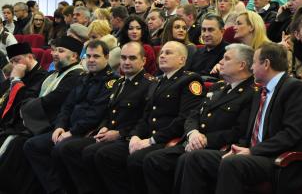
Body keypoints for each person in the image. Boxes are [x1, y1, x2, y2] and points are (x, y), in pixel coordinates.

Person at [177, 42, 302, 194]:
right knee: (194, 158)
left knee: (232, 163)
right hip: (255, 154)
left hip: (278, 159)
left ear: (266, 64)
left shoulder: (293, 89)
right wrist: (237, 148)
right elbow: (250, 131)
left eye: (255, 62)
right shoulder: (261, 90)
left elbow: (291, 134)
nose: (251, 68)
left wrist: (252, 151)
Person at [91, 41, 204, 194]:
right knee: (104, 154)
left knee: (135, 159)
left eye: (168, 53)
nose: (162, 55)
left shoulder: (190, 80)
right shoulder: (158, 81)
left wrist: (152, 140)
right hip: (148, 137)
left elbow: (184, 118)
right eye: (162, 52)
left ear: (182, 60)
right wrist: (135, 136)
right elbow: (146, 116)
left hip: (167, 140)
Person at [143, 43, 256, 194]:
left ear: (242, 65)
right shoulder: (218, 88)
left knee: (187, 160)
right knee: (153, 159)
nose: (220, 62)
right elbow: (193, 115)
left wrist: (204, 140)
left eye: (226, 59)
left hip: (215, 147)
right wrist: (193, 134)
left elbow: (238, 131)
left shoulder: (251, 93)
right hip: (194, 142)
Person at [50, 41, 155, 193]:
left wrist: (120, 133)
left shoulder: (149, 84)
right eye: (123, 58)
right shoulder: (120, 82)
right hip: (109, 134)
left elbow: (145, 119)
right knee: (72, 150)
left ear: (143, 61)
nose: (126, 62)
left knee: (93, 152)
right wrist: (104, 127)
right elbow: (109, 112)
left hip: (130, 137)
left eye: (132, 58)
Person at [23, 40, 118, 194]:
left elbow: (95, 114)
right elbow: (67, 106)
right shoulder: (83, 77)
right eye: (88, 56)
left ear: (106, 57)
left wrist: (71, 132)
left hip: (87, 131)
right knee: (32, 145)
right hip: (69, 129)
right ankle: (57, 190)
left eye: (96, 56)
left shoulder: (111, 81)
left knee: (60, 149)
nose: (91, 60)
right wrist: (60, 127)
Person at [0, 42, 47, 194]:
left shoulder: (42, 77)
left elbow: (26, 103)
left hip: (24, 126)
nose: (14, 64)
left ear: (30, 56)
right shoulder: (18, 75)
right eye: (12, 61)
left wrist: (16, 81)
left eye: (17, 60)